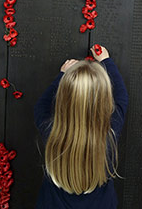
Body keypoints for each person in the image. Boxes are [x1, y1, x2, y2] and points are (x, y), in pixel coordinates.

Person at [34, 44, 128, 208]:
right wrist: (106, 61)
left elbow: (40, 107)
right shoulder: (109, 134)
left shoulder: (51, 132)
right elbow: (121, 98)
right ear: (105, 100)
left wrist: (62, 75)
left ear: (62, 98)